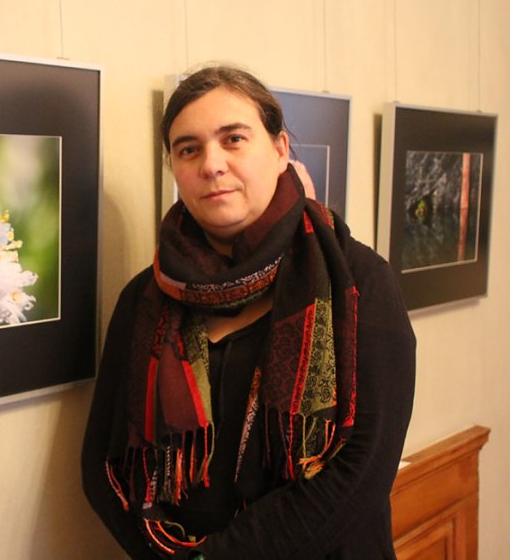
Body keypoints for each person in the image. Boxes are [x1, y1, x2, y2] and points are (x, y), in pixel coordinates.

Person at [81, 65, 416, 559]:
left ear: (280, 150)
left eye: (233, 139)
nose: (211, 164)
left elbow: (360, 468)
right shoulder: (146, 298)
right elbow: (103, 465)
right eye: (188, 149)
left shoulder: (359, 282)